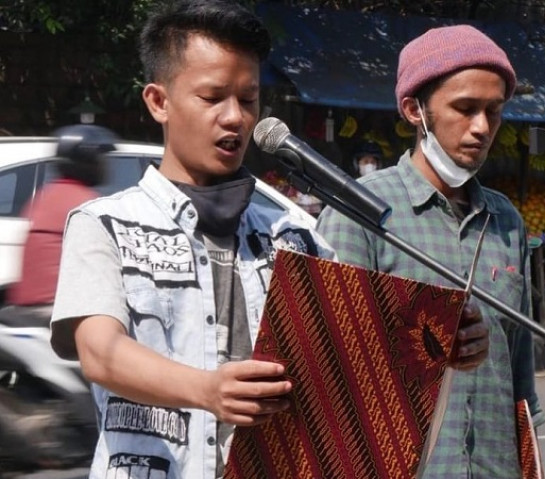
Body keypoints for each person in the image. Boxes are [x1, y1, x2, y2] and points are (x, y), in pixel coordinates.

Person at [48, 2, 338, 477]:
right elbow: (99, 353)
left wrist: (439, 340)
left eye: (248, 99)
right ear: (158, 102)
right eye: (212, 97)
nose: (235, 117)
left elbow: (347, 352)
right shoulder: (104, 225)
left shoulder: (295, 233)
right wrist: (206, 390)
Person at [316, 24, 542, 477]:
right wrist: (425, 343)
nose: (482, 127)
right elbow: (328, 361)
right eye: (465, 108)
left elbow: (520, 376)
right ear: (414, 110)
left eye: (494, 111)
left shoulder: (506, 221)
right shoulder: (360, 211)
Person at [1, 124, 114, 328]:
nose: (106, 166)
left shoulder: (46, 196)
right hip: (56, 313)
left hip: (26, 309)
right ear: (88, 162)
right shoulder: (86, 204)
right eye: (102, 160)